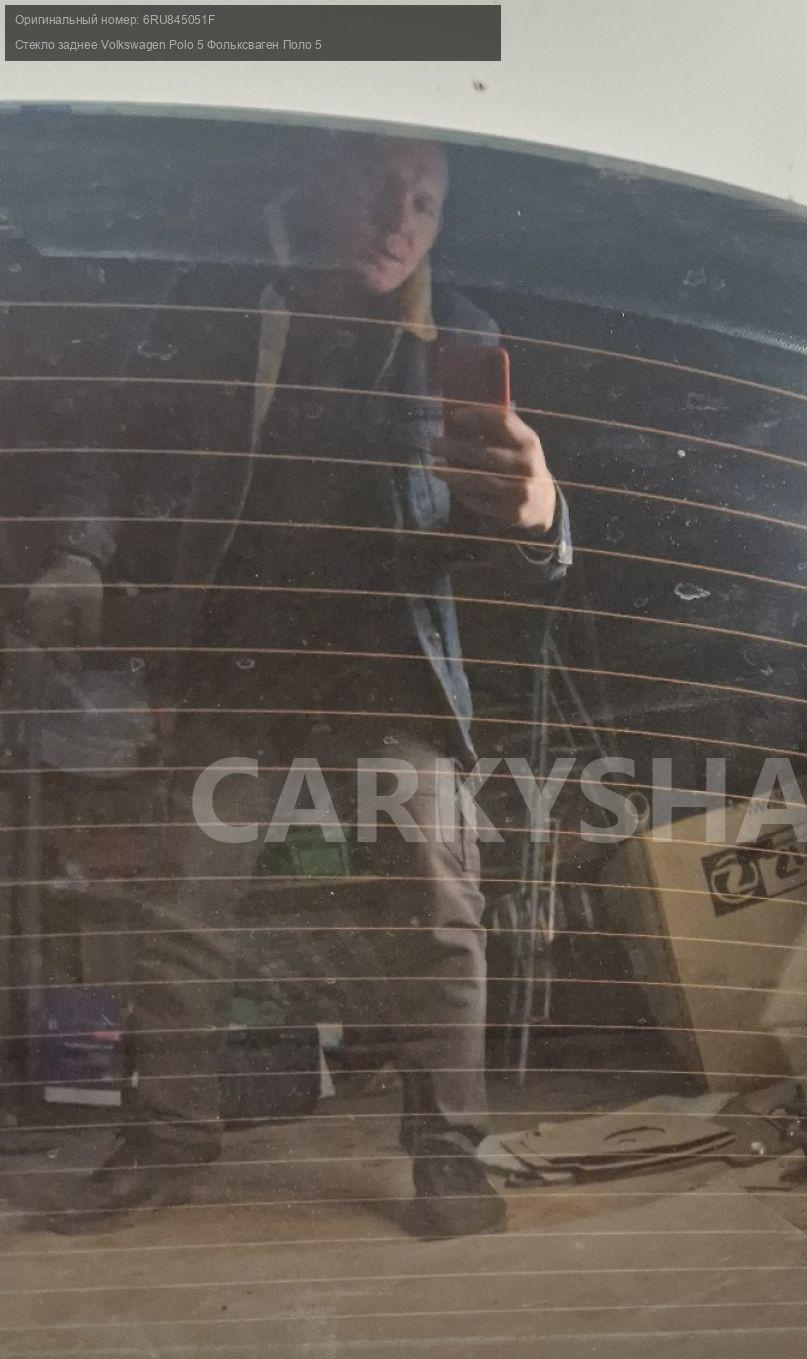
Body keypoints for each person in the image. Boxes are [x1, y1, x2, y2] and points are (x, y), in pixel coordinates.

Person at [24, 133, 571, 1236]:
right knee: (179, 905)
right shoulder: (219, 308)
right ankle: (166, 1139)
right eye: (378, 187)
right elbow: (111, 444)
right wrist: (79, 551)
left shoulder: (462, 337)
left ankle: (448, 1154)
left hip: (389, 676)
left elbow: (512, 545)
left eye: (425, 201)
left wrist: (542, 515)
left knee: (437, 905)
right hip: (235, 663)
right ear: (318, 183)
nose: (399, 219)